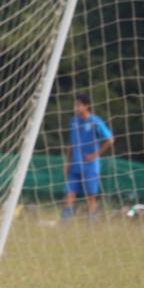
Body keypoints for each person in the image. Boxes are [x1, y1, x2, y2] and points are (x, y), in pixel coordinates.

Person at [61, 93, 114, 221]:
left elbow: (110, 140)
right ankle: (64, 223)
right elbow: (71, 144)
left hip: (90, 166)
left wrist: (94, 155)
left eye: (78, 105)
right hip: (75, 165)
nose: (75, 108)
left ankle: (92, 222)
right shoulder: (73, 122)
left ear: (86, 106)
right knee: (69, 194)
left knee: (90, 196)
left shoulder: (95, 121)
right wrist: (67, 162)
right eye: (75, 105)